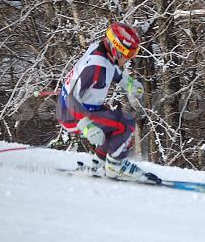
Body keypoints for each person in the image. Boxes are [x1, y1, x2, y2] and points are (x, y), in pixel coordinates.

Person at [56, 22, 160, 184]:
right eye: (128, 54)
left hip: (84, 108)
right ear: (116, 49)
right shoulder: (96, 68)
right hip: (72, 114)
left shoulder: (102, 52)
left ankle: (100, 162)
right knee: (124, 123)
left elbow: (112, 69)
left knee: (113, 122)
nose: (130, 58)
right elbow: (71, 99)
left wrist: (128, 83)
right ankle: (116, 166)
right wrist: (87, 126)